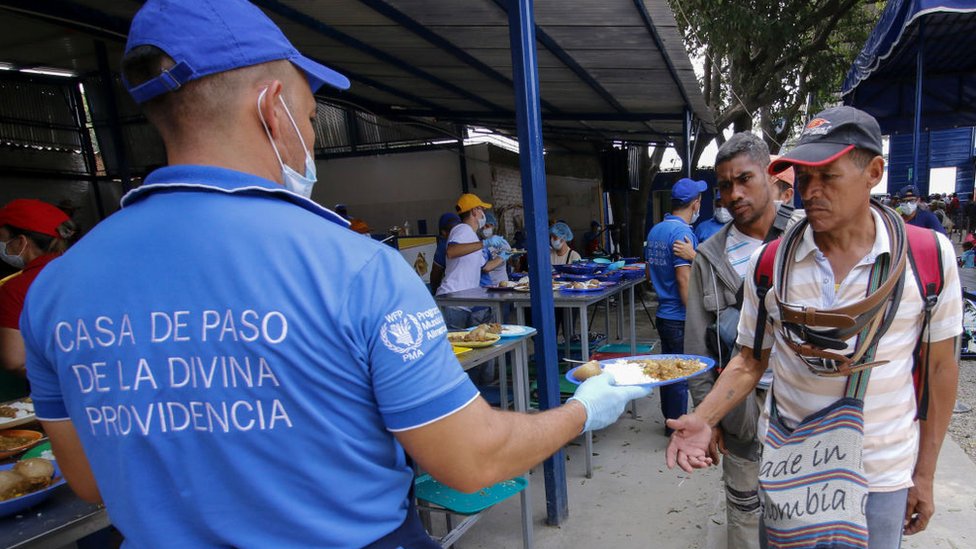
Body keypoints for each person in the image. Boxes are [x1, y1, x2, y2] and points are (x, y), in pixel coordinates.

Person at [19, 2, 652, 547]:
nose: (313, 138)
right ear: (273, 107)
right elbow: (470, 458)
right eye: (309, 109)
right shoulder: (355, 268)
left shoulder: (54, 287)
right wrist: (580, 411)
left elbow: (87, 478)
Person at [667, 106, 961, 547]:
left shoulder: (928, 257)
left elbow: (941, 370)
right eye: (804, 179)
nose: (812, 191)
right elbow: (749, 360)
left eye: (829, 176)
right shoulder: (772, 264)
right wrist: (704, 418)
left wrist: (925, 472)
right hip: (790, 468)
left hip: (880, 472)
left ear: (874, 172)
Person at [683, 134, 782, 549]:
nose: (733, 194)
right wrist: (710, 416)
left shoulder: (804, 237)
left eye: (744, 179)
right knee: (743, 508)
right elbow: (697, 349)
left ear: (770, 177)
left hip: (801, 406)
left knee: (796, 510)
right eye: (724, 186)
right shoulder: (709, 256)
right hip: (739, 409)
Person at [645, 177, 706, 435]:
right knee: (682, 374)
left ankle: (670, 422)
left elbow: (649, 273)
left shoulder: (656, 230)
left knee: (668, 372)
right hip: (680, 316)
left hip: (662, 313)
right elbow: (684, 282)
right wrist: (696, 316)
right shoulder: (682, 234)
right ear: (695, 204)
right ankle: (679, 428)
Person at [0, 199, 75, 401]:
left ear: (21, 241)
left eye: (3, 239)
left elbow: (15, 360)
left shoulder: (16, 288)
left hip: (59, 397)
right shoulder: (91, 272)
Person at [436, 193, 506, 299]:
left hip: (462, 300)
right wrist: (485, 243)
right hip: (454, 298)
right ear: (474, 211)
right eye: (481, 209)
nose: (483, 214)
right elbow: (451, 252)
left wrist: (504, 255)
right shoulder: (462, 229)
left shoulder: (472, 237)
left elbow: (485, 267)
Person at [430, 212, 461, 294]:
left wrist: (434, 293)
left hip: (453, 293)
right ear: (444, 232)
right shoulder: (444, 245)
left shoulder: (444, 245)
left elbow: (435, 275)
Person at [480, 211, 510, 287]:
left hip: (500, 284)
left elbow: (487, 267)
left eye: (487, 226)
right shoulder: (478, 244)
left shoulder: (501, 242)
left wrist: (504, 255)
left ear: (493, 226)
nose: (484, 229)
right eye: (482, 227)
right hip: (484, 285)